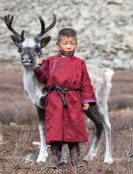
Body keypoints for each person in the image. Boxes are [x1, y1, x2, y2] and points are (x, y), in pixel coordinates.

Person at [34, 28, 96, 168]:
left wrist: (86, 100)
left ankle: (76, 158)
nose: (69, 46)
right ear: (58, 45)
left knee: (74, 127)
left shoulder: (79, 63)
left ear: (76, 44)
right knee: (55, 128)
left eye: (72, 43)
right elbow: (43, 77)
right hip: (55, 99)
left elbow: (85, 82)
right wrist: (40, 66)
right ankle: (55, 158)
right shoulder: (50, 61)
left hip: (73, 99)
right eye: (65, 43)